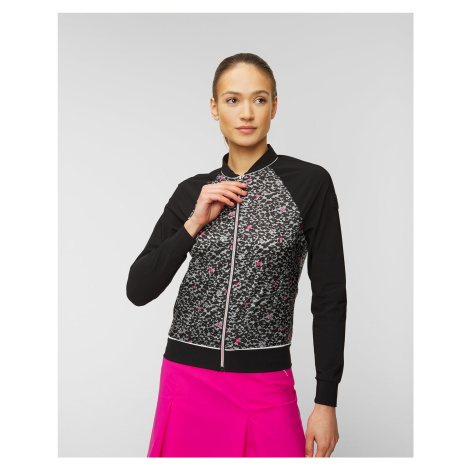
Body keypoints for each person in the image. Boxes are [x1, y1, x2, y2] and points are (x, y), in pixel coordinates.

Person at [126, 52, 347, 458]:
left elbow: (330, 295)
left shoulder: (309, 183)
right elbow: (138, 289)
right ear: (215, 108)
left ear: (274, 106)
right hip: (186, 380)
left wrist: (326, 400)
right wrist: (194, 222)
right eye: (232, 100)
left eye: (259, 99)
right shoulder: (192, 191)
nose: (246, 113)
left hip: (264, 383)